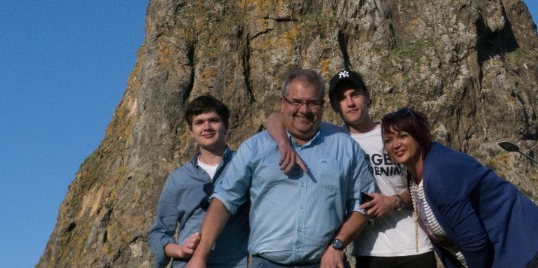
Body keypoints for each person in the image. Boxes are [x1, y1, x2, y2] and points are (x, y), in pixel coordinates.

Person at [189, 68, 377, 268]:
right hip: (267, 263)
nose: (304, 110)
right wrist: (200, 256)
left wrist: (338, 244)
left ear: (322, 105)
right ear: (282, 103)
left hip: (325, 263)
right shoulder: (255, 148)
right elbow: (224, 200)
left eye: (312, 103)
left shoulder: (346, 147)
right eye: (296, 102)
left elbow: (363, 203)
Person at [268, 70, 436, 268]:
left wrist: (393, 201)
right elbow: (277, 117)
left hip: (415, 247)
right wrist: (283, 143)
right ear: (334, 106)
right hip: (369, 251)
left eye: (355, 94)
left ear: (368, 96)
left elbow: (426, 185)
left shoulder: (393, 135)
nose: (350, 103)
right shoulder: (333, 138)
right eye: (342, 98)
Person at [380, 108, 538, 268]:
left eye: (403, 136)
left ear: (419, 136)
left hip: (524, 245)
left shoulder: (439, 172)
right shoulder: (415, 178)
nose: (396, 145)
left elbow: (474, 242)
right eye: (388, 140)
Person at [148, 95, 249, 267]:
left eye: (213, 120)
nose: (207, 127)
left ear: (226, 126)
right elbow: (159, 232)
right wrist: (179, 250)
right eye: (199, 122)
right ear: (191, 131)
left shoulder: (244, 166)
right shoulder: (178, 179)